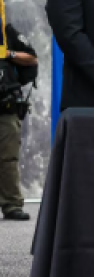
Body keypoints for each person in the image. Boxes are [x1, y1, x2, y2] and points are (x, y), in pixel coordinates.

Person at [0, 25, 37, 221]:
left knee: (8, 158)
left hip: (5, 106)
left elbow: (31, 58)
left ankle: (12, 204)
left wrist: (7, 53)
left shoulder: (5, 30)